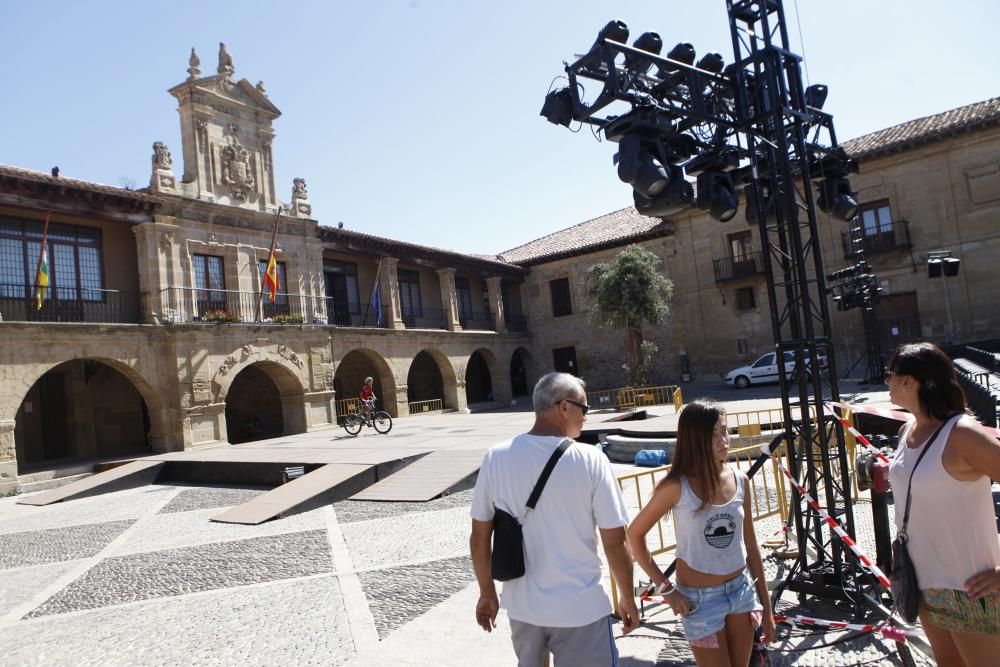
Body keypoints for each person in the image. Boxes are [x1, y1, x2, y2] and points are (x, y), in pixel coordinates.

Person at [470, 372, 638, 666]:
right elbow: (615, 541)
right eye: (584, 409)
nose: (586, 417)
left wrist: (487, 593)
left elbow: (480, 536)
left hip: (523, 609)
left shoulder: (496, 457)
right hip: (580, 609)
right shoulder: (591, 459)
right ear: (564, 407)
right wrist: (627, 596)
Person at [627, 399, 774, 666]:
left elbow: (750, 545)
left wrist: (767, 606)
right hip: (700, 601)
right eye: (712, 435)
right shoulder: (676, 486)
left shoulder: (741, 480)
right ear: (694, 439)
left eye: (725, 431)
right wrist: (665, 588)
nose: (723, 441)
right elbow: (634, 535)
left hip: (741, 592)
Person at [885, 342, 1000, 664]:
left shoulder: (962, 434)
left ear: (910, 381)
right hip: (922, 583)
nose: (886, 382)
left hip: (969, 587)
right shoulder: (907, 430)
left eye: (889, 374)